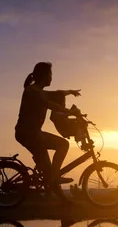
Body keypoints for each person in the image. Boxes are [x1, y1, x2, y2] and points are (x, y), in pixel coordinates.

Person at [15, 61, 81, 202]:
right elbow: (49, 104)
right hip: (29, 134)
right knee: (63, 145)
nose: (52, 77)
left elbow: (57, 94)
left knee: (49, 171)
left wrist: (70, 92)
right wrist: (70, 112)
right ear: (45, 76)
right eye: (50, 74)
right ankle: (55, 176)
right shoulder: (32, 91)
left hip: (32, 134)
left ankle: (64, 201)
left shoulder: (39, 91)